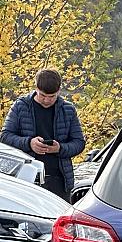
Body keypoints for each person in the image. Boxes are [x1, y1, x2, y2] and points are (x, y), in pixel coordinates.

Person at [0, 69, 85, 200]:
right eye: (42, 95)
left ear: (59, 91)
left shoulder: (68, 109)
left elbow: (79, 143)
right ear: (36, 88)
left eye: (51, 97)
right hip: (25, 179)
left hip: (60, 180)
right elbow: (5, 137)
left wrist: (60, 148)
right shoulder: (20, 106)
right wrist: (29, 143)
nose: (46, 100)